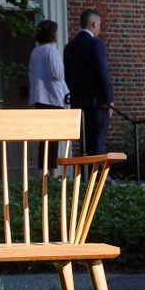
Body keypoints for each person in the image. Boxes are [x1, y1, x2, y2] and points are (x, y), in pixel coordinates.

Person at [63, 9, 114, 156]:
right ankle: (96, 173)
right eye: (99, 24)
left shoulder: (69, 47)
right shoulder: (95, 44)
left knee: (84, 141)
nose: (99, 28)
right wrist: (109, 98)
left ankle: (85, 174)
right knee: (97, 139)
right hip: (97, 102)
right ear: (93, 24)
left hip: (78, 101)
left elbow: (68, 75)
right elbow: (102, 72)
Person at [28, 19, 69, 170]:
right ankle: (53, 171)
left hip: (39, 98)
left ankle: (45, 169)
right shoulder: (51, 51)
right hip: (53, 98)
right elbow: (58, 74)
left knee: (44, 139)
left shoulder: (35, 51)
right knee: (53, 140)